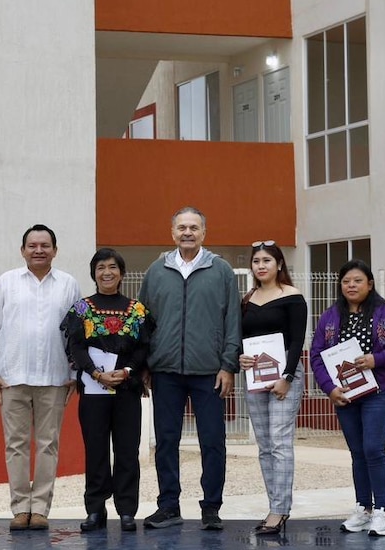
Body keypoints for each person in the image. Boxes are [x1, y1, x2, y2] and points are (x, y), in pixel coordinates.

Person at [138, 206, 240, 531]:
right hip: (165, 372)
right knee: (166, 442)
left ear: (204, 233)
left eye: (194, 227)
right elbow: (143, 321)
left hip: (209, 372)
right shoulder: (156, 272)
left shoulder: (221, 270)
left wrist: (228, 365)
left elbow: (232, 322)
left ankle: (211, 508)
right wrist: (144, 364)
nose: (187, 232)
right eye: (182, 227)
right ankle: (168, 506)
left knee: (213, 441)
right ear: (172, 232)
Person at [0, 224, 81, 531]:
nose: (39, 250)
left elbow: (79, 331)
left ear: (55, 250)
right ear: (23, 250)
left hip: (55, 377)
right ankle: (20, 508)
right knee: (16, 445)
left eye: (45, 245)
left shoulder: (69, 284)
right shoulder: (7, 282)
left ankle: (40, 509)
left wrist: (75, 371)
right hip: (13, 377)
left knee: (48, 444)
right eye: (33, 245)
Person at [309, 259, 385, 537]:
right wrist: (329, 389)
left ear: (369, 284)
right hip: (346, 396)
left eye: (357, 281)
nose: (351, 285)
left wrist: (376, 359)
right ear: (340, 286)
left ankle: (381, 511)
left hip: (378, 393)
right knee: (357, 453)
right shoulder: (330, 317)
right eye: (346, 281)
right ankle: (362, 508)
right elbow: (317, 356)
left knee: (373, 449)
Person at [61, 248, 152, 533]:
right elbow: (74, 346)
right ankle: (95, 509)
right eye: (101, 267)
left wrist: (126, 372)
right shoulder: (82, 308)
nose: (107, 272)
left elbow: (144, 348)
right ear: (94, 273)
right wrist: (96, 373)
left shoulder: (137, 310)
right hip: (93, 389)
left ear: (122, 273)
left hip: (127, 389)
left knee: (127, 451)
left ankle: (126, 511)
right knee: (96, 451)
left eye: (113, 267)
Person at [237, 241, 308, 536]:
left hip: (284, 379)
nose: (261, 265)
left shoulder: (292, 297)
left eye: (267, 260)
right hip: (254, 377)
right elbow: (242, 337)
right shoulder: (247, 299)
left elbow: (296, 341)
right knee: (265, 447)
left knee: (280, 443)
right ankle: (273, 506)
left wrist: (288, 377)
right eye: (256, 261)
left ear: (279, 264)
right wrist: (239, 356)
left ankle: (280, 511)